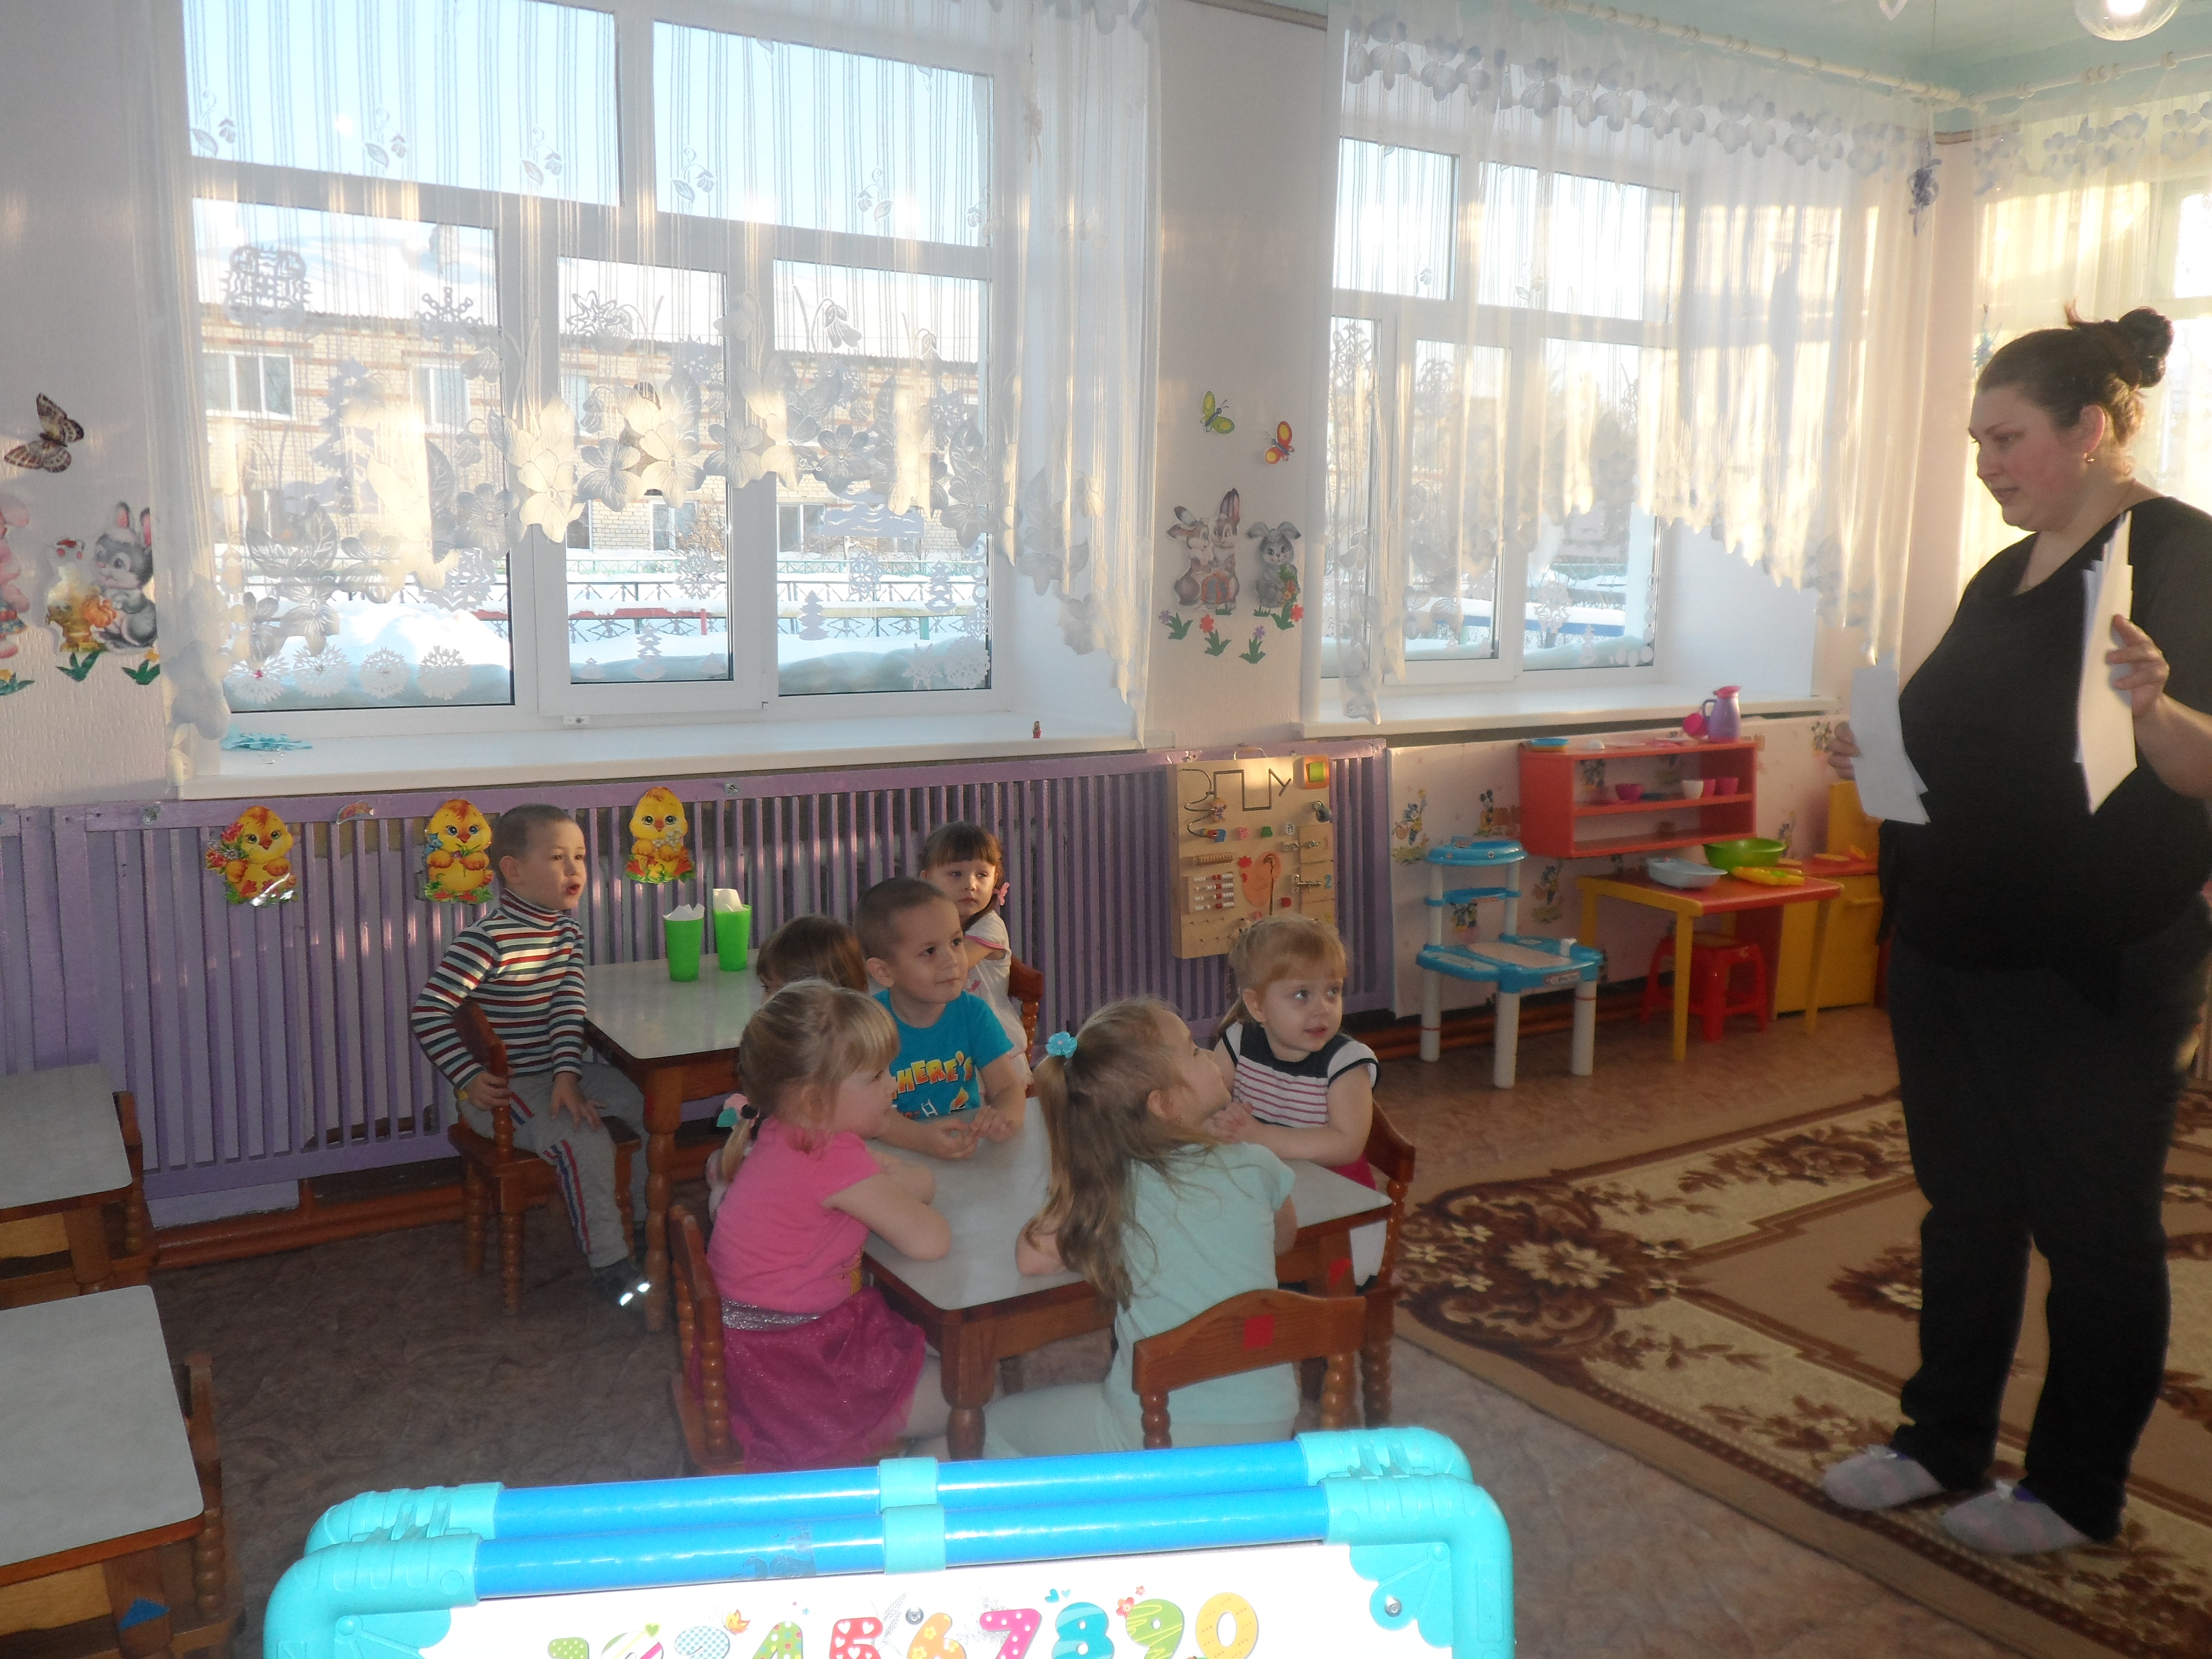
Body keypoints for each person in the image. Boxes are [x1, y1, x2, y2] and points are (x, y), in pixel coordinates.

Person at [1822, 305, 2212, 1555]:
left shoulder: (2182, 554)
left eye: (2008, 439)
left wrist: (2155, 709)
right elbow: (1950, 748)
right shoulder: (2005, 574)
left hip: (2092, 965)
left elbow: (2198, 766)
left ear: (2090, 428)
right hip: (1952, 949)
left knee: (2094, 1231)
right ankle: (1939, 1442)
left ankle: (2074, 1492)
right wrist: (1874, 752)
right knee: (1967, 1211)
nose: (1988, 465)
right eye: (1979, 443)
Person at [984, 998, 1299, 1456]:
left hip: (1158, 1429)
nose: (1210, 1054)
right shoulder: (1257, 1165)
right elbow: (1284, 1240)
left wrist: (1082, 1164)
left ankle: (1125, 1499)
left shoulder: (1114, 1186)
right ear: (1163, 1104)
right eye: (1194, 1050)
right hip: (1272, 1420)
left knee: (994, 1425)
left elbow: (1031, 1258)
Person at [704, 980, 953, 1470]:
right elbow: (932, 1239)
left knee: (930, 1361)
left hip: (757, 1352)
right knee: (974, 1398)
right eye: (876, 1076)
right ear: (817, 1100)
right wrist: (913, 1180)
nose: (893, 1086)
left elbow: (895, 1186)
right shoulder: (829, 1156)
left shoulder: (788, 1132)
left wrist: (905, 1182)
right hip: (796, 1370)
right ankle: (893, 1495)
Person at [410, 803, 650, 1308]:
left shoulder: (566, 934)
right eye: (558, 858)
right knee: (585, 1140)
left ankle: (645, 1222)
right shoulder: (486, 940)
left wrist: (567, 1077)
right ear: (514, 871)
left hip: (554, 1075)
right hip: (502, 1092)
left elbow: (567, 1011)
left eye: (580, 856)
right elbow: (429, 1012)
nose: (575, 869)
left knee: (641, 1100)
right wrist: (468, 1076)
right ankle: (612, 1262)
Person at [706, 915, 869, 1216]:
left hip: (822, 1169)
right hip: (785, 1162)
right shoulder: (780, 1045)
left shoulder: (853, 1060)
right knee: (719, 1168)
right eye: (766, 987)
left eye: (777, 990)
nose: (766, 1001)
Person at [855, 877, 1027, 1160]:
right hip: (895, 1160)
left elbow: (1008, 1088)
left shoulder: (973, 1013)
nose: (952, 960)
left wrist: (1005, 1118)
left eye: (956, 942)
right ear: (884, 972)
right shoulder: (868, 1028)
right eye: (930, 951)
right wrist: (923, 1140)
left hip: (962, 1153)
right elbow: (867, 1115)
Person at [918, 821, 1029, 1057]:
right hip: (951, 1038)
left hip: (993, 1045)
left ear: (995, 879)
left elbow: (953, 966)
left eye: (982, 875)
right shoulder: (927, 925)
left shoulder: (989, 926)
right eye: (956, 874)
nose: (971, 885)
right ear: (927, 880)